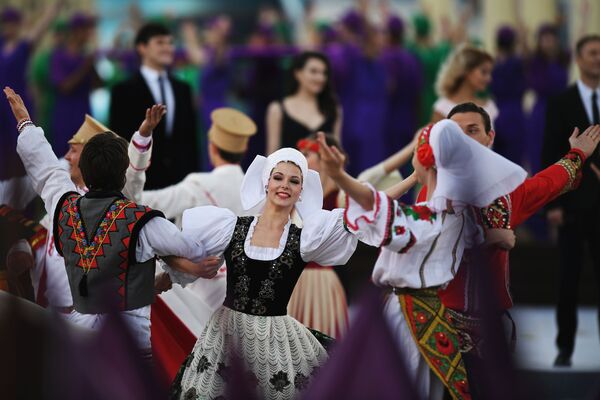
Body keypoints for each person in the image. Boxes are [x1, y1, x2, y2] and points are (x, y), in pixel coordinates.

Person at [318, 120, 527, 399]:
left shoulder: (435, 217)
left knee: (400, 384)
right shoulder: (455, 212)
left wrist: (340, 176)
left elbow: (379, 209)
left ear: (425, 159)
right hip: (426, 311)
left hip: (407, 316)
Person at [6, 87, 216, 358]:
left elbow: (44, 168)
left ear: (86, 168)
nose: (68, 157)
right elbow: (197, 251)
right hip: (127, 350)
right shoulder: (144, 222)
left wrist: (25, 122)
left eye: (73, 151)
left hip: (75, 342)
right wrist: (173, 273)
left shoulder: (63, 207)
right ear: (121, 174)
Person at [416, 102, 599, 396]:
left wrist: (576, 154)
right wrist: (492, 237)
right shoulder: (434, 190)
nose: (463, 138)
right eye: (455, 132)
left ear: (490, 137)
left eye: (472, 131)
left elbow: (546, 184)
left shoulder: (509, 191)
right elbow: (433, 241)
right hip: (442, 322)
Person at [170, 147, 358, 399]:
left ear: (301, 191)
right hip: (227, 335)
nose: (285, 185)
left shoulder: (303, 239)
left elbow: (361, 214)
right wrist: (178, 271)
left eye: (294, 181)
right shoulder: (231, 227)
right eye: (278, 177)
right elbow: (174, 245)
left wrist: (411, 180)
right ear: (266, 181)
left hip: (275, 339)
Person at [542, 34, 600, 367]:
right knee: (568, 279)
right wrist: (553, 204)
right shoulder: (560, 102)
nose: (597, 59)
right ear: (578, 59)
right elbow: (550, 151)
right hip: (573, 204)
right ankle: (565, 347)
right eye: (592, 53)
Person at [110, 22, 198, 189]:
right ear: (142, 48)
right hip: (140, 183)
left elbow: (190, 141)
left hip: (180, 185)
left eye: (170, 43)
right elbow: (118, 139)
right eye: (160, 42)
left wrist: (193, 180)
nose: (167, 48)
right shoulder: (122, 91)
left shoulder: (184, 89)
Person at [287, 134, 349, 338]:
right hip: (293, 279)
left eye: (307, 154)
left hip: (320, 283)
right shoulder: (296, 195)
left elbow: (371, 192)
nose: (301, 157)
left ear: (325, 157)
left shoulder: (340, 197)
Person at [0, 3, 62, 179]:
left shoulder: (23, 47)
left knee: (23, 150)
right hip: (0, 108)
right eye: (5, 23)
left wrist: (53, 9)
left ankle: (25, 202)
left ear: (19, 25)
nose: (8, 27)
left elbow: (42, 26)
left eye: (12, 23)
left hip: (17, 104)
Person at [266, 51, 341, 154]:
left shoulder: (334, 109)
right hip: (289, 169)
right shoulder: (277, 108)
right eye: (313, 71)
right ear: (298, 73)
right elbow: (272, 153)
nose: (320, 78)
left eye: (324, 73)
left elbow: (336, 152)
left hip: (323, 170)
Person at [50, 12, 101, 158]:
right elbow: (64, 87)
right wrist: (85, 66)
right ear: (76, 31)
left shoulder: (85, 56)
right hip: (65, 116)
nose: (89, 35)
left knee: (86, 159)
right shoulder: (59, 56)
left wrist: (92, 65)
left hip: (84, 115)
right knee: (66, 159)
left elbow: (99, 85)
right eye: (86, 30)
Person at [527, 24, 570, 173]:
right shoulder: (535, 62)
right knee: (540, 149)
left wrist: (583, 18)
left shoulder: (563, 59)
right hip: (542, 111)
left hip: (562, 109)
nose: (548, 42)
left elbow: (578, 43)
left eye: (551, 38)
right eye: (544, 39)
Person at [432, 44, 497, 125]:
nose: (489, 79)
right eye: (484, 72)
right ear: (466, 70)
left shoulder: (490, 106)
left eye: (489, 73)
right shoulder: (442, 108)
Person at [490, 26, 528, 164]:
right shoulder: (518, 64)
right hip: (516, 116)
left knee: (499, 161)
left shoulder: (493, 66)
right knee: (515, 161)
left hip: (497, 115)